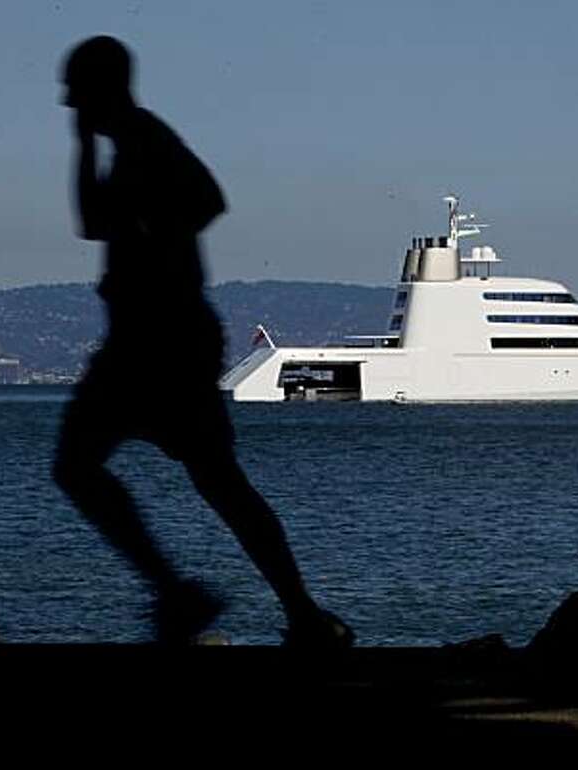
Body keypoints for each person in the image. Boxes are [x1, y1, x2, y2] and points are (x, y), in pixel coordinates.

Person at [52, 35, 352, 647]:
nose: (67, 102)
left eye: (75, 89)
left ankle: (199, 595)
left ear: (99, 87)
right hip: (152, 338)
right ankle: (290, 610)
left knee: (101, 468)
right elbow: (93, 222)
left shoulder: (146, 139)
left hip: (159, 340)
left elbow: (205, 200)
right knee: (214, 481)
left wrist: (154, 236)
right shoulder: (130, 142)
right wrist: (89, 150)